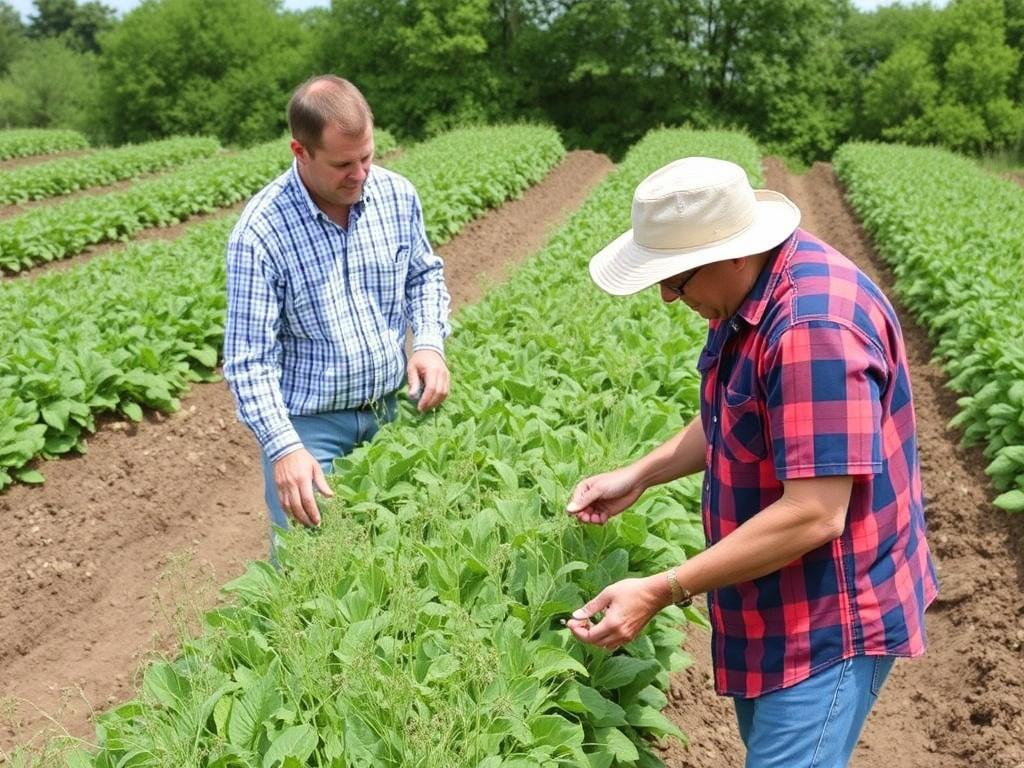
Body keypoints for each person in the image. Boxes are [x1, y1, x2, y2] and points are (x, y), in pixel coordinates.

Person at [564, 157, 937, 767]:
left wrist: (663, 590)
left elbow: (814, 515)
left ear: (735, 252)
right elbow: (738, 413)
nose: (665, 295)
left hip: (827, 621)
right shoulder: (751, 291)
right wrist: (641, 474)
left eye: (676, 279)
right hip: (772, 604)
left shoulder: (811, 327)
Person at [224, 75, 451, 551]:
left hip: (393, 408)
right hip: (311, 430)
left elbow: (422, 275)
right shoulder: (261, 233)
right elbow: (248, 361)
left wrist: (428, 343)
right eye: (343, 164)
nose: (361, 174)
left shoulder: (396, 196)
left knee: (413, 549)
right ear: (300, 151)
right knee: (315, 571)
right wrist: (284, 448)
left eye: (367, 157)